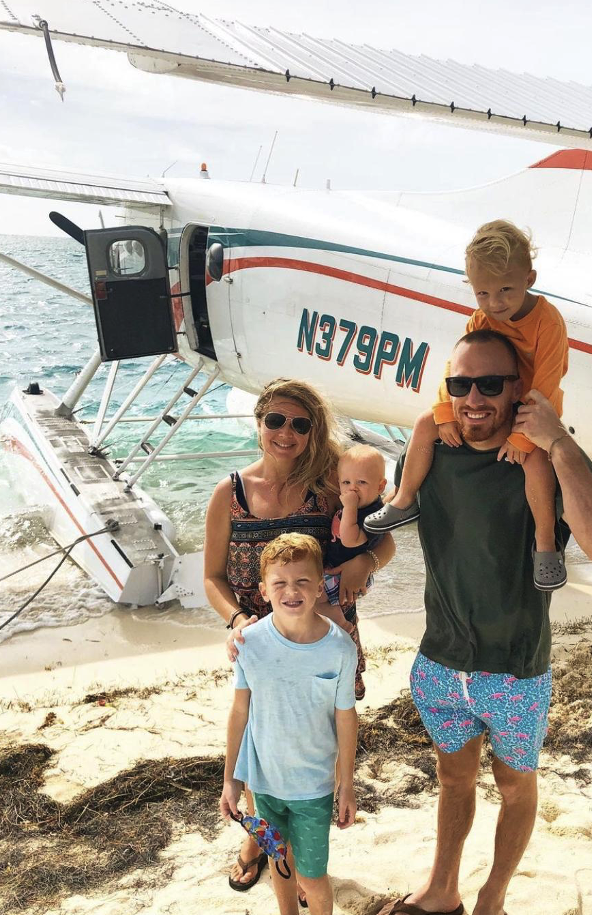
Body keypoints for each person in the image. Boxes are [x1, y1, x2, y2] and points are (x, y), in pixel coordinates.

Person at [379, 329, 592, 915]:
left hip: (513, 671)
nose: (474, 399)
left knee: (515, 788)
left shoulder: (541, 459)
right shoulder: (433, 449)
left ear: (520, 391)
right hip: (440, 663)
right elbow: (380, 512)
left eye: (491, 384)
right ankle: (443, 891)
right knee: (454, 781)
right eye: (461, 384)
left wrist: (558, 441)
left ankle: (492, 899)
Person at [204, 378, 395, 891]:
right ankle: (259, 838)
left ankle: (311, 824)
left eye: (300, 424)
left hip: (323, 636)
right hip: (260, 643)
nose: (285, 432)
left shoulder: (330, 488)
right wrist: (236, 619)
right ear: (259, 423)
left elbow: (385, 538)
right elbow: (212, 577)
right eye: (275, 420)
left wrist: (367, 564)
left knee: (321, 730)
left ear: (313, 433)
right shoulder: (230, 492)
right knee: (257, 732)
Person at [366, 220, 570, 591]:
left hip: (531, 406)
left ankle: (545, 543)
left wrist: (523, 438)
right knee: (425, 422)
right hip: (488, 402)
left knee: (538, 458)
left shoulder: (548, 322)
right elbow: (458, 366)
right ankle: (405, 498)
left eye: (506, 289)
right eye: (483, 294)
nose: (495, 303)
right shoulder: (482, 318)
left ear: (531, 278)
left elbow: (547, 383)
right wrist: (445, 412)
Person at [219, 532, 358, 915]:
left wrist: (346, 785)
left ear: (318, 588)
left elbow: (346, 717)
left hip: (313, 787)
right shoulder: (247, 642)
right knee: (280, 862)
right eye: (279, 583)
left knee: (312, 877)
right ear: (263, 590)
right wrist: (230, 779)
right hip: (263, 785)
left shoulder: (341, 649)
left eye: (301, 582)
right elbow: (239, 713)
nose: (290, 591)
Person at [320, 444, 387, 639]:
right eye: (346, 482)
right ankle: (346, 619)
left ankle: (341, 621)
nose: (352, 489)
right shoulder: (363, 505)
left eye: (362, 482)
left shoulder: (373, 514)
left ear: (380, 486)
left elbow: (350, 540)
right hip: (340, 567)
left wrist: (349, 507)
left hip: (347, 574)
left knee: (316, 595)